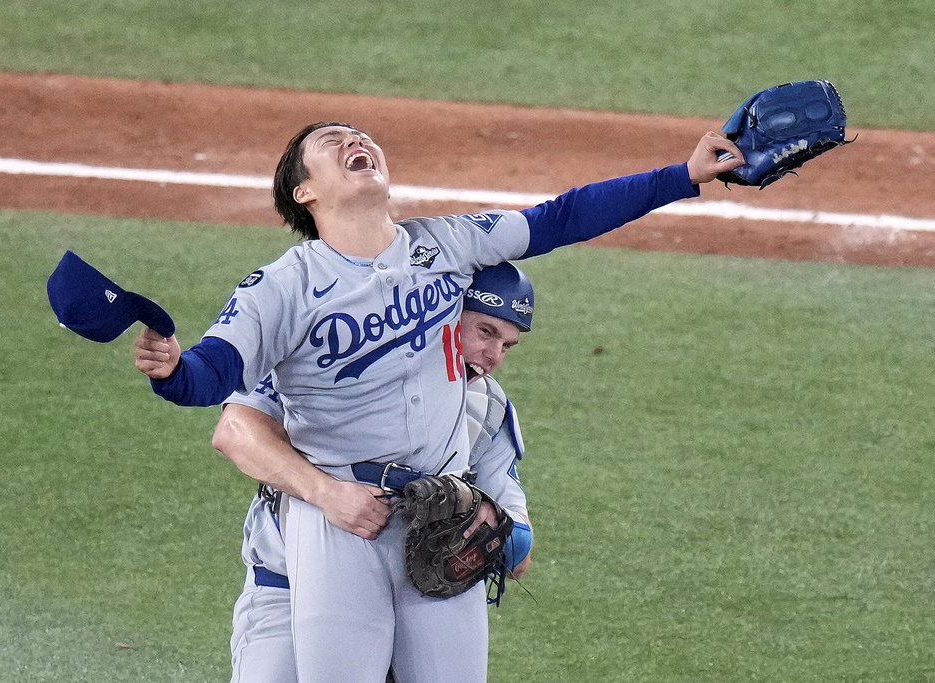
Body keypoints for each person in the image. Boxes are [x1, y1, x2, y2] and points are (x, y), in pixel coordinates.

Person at [133, 121, 744, 682]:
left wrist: (683, 176)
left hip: (441, 514)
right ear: (303, 193)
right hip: (342, 520)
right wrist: (172, 370)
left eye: (359, 133)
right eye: (331, 141)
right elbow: (210, 379)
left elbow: (561, 218)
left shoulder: (447, 244)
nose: (354, 139)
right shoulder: (282, 288)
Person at [220, 262, 536, 683]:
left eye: (507, 345)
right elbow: (235, 433)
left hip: (416, 599)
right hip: (286, 587)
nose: (493, 356)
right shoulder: (341, 362)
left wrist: (487, 524)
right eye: (485, 332)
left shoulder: (488, 409)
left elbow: (520, 556)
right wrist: (326, 493)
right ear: (442, 312)